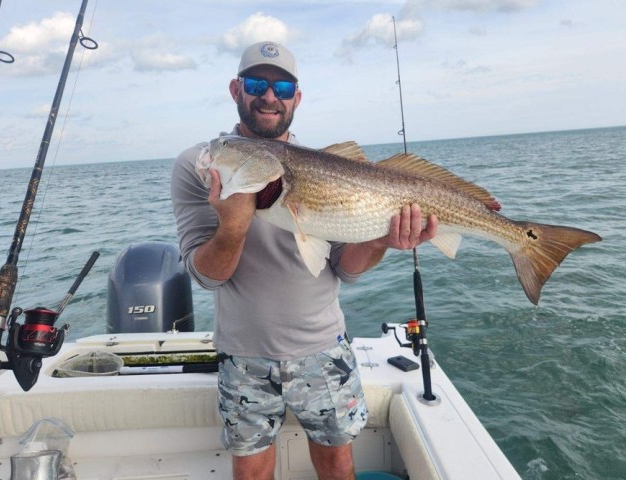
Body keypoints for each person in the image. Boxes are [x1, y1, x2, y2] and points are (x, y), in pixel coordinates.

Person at [171, 41, 438, 480]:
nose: (269, 96)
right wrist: (234, 225)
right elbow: (206, 278)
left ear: (297, 97)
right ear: (236, 89)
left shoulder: (326, 167)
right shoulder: (201, 165)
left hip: (324, 347)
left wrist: (381, 241)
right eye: (257, 84)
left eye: (282, 87)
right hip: (243, 353)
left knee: (337, 463)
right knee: (252, 472)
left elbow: (344, 271)